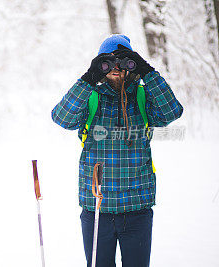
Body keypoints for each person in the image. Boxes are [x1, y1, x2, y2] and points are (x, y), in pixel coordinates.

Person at [51, 34, 183, 267]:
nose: (115, 68)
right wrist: (87, 79)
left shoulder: (142, 96)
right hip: (96, 210)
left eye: (122, 61)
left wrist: (149, 73)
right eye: (108, 62)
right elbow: (62, 118)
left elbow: (172, 112)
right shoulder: (91, 97)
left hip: (137, 209)